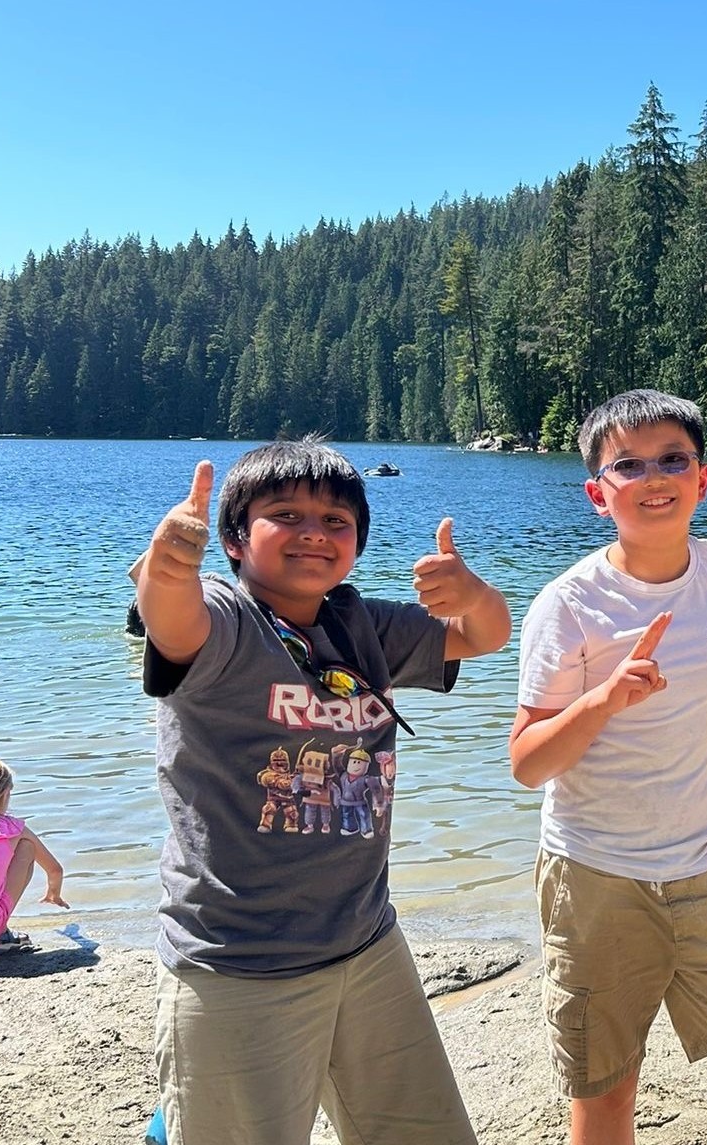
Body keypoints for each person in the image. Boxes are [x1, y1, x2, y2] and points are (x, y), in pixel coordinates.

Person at [134, 436, 512, 1145]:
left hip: (368, 944)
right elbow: (173, 620)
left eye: (336, 521)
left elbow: (485, 635)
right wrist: (166, 566)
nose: (315, 531)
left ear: (358, 543)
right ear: (236, 540)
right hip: (240, 961)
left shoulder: (361, 624)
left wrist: (476, 594)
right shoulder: (227, 616)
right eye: (285, 513)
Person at [509, 389, 707, 1145]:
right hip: (595, 877)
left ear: (703, 479)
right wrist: (603, 702)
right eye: (628, 464)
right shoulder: (569, 605)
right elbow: (526, 761)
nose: (653, 477)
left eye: (673, 458)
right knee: (607, 1094)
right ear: (596, 493)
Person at [0, 755, 69, 953]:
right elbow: (55, 870)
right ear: (5, 794)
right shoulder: (13, 829)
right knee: (26, 848)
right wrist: (53, 894)